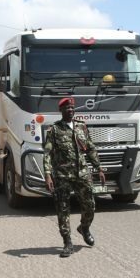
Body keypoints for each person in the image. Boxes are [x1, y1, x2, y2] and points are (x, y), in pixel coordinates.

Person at [43, 97, 105, 258]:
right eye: (67, 108)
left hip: (82, 173)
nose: (70, 110)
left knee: (90, 205)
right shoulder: (54, 130)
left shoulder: (81, 127)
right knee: (63, 209)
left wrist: (99, 168)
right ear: (61, 111)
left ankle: (84, 227)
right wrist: (48, 175)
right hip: (63, 175)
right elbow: (48, 153)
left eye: (72, 108)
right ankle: (67, 242)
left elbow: (90, 148)